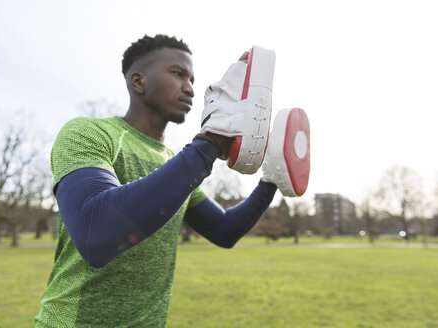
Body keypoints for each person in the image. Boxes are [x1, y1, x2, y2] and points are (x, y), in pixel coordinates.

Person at [34, 34, 277, 328]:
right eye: (178, 74)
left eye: (192, 79)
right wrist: (210, 141)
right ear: (138, 82)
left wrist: (271, 180)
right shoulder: (89, 134)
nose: (189, 87)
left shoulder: (176, 166)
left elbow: (223, 230)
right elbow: (94, 232)